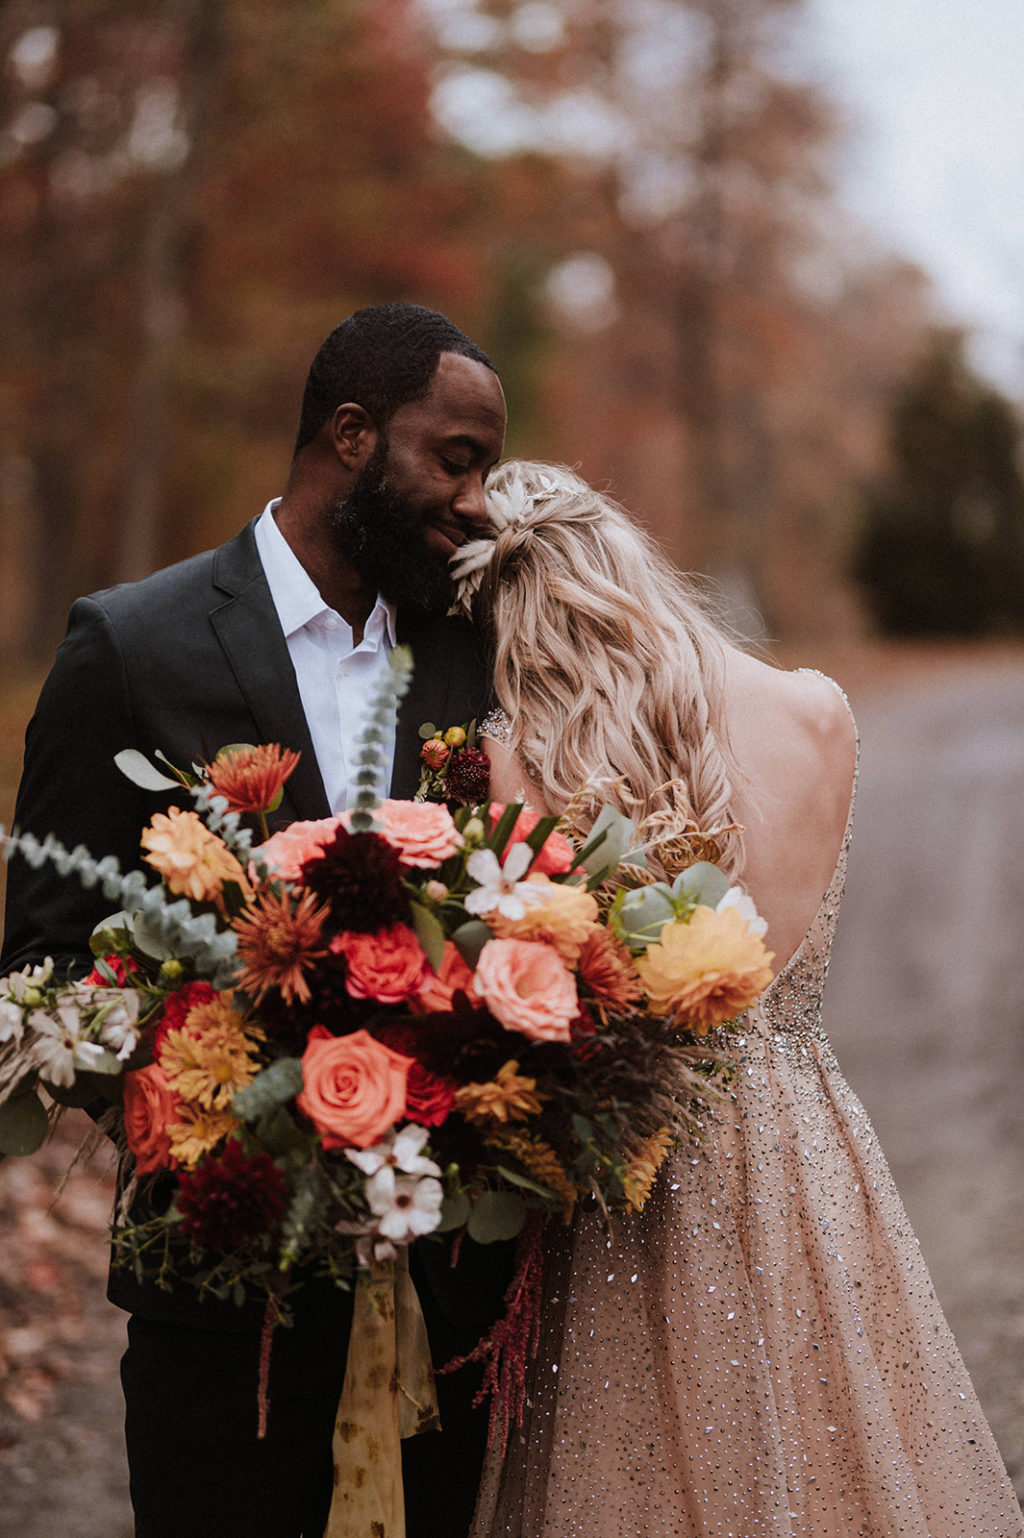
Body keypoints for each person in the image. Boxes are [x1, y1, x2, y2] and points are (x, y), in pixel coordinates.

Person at [1, 303, 511, 1538]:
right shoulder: (132, 642)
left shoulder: (479, 645)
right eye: (455, 457)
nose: (479, 500)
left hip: (450, 1294)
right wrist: (223, 1085)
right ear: (351, 435)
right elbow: (42, 959)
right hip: (226, 1295)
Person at [449, 459, 1024, 1537]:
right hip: (808, 1143)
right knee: (822, 1457)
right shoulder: (817, 709)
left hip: (631, 1161)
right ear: (623, 550)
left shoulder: (519, 752)